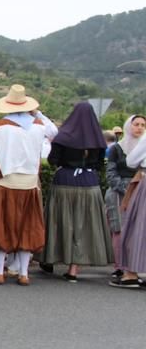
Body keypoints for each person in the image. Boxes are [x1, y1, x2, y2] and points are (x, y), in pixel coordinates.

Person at [0, 85, 57, 285]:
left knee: (2, 224)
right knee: (27, 226)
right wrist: (38, 113)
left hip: (5, 181)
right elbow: (55, 132)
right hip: (30, 184)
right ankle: (23, 273)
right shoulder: (39, 126)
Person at [40, 102, 112, 282]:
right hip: (89, 184)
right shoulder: (98, 138)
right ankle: (73, 269)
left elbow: (53, 160)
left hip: (64, 181)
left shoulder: (64, 135)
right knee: (83, 225)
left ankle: (51, 258)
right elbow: (98, 165)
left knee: (59, 222)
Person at [105, 115, 145, 278]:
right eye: (136, 124)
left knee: (137, 230)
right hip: (120, 190)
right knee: (120, 228)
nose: (140, 128)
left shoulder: (143, 144)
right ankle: (119, 265)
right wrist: (125, 188)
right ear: (129, 126)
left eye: (143, 125)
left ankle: (132, 265)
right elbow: (111, 171)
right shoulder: (117, 148)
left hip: (139, 189)